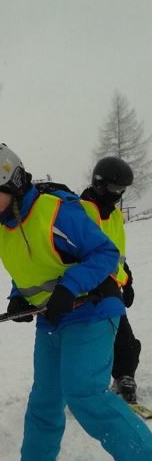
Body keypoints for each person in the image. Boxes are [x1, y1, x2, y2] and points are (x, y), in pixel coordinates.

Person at [0, 142, 152, 461]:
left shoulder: (56, 212)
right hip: (53, 318)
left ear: (13, 184)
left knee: (84, 393)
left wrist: (70, 286)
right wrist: (18, 297)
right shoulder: (1, 227)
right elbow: (29, 266)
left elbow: (105, 253)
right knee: (46, 395)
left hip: (92, 309)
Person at [80, 157, 141, 405]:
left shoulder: (115, 215)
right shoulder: (80, 210)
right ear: (99, 183)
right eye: (114, 188)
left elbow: (117, 253)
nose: (117, 195)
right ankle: (82, 383)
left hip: (112, 286)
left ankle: (124, 376)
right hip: (87, 288)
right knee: (88, 339)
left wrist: (127, 280)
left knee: (124, 338)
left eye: (122, 190)